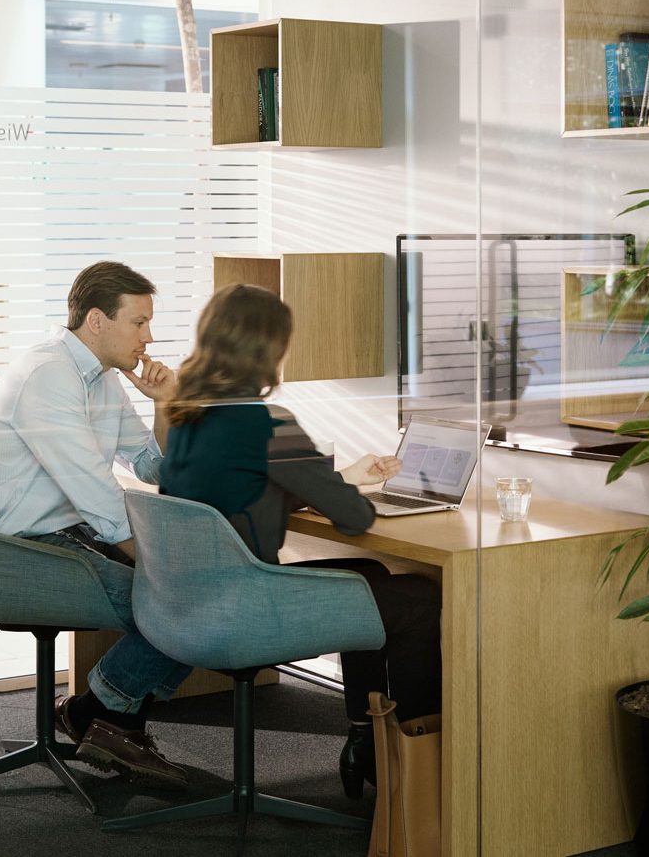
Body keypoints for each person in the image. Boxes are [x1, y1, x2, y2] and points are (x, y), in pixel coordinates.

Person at [158, 283, 442, 800]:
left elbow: (233, 493)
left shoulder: (186, 414)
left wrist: (336, 476)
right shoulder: (268, 423)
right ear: (268, 350)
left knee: (370, 577)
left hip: (188, 598)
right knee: (421, 601)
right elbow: (354, 519)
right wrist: (341, 486)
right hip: (247, 604)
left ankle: (362, 739)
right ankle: (412, 769)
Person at [0, 260, 195, 787]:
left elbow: (152, 466)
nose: (149, 336)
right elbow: (101, 501)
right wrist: (164, 567)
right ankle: (106, 720)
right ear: (97, 320)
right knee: (180, 599)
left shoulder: (100, 378)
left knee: (184, 589)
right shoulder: (49, 376)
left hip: (66, 535)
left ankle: (97, 714)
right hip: (23, 551)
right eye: (138, 322)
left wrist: (167, 404)